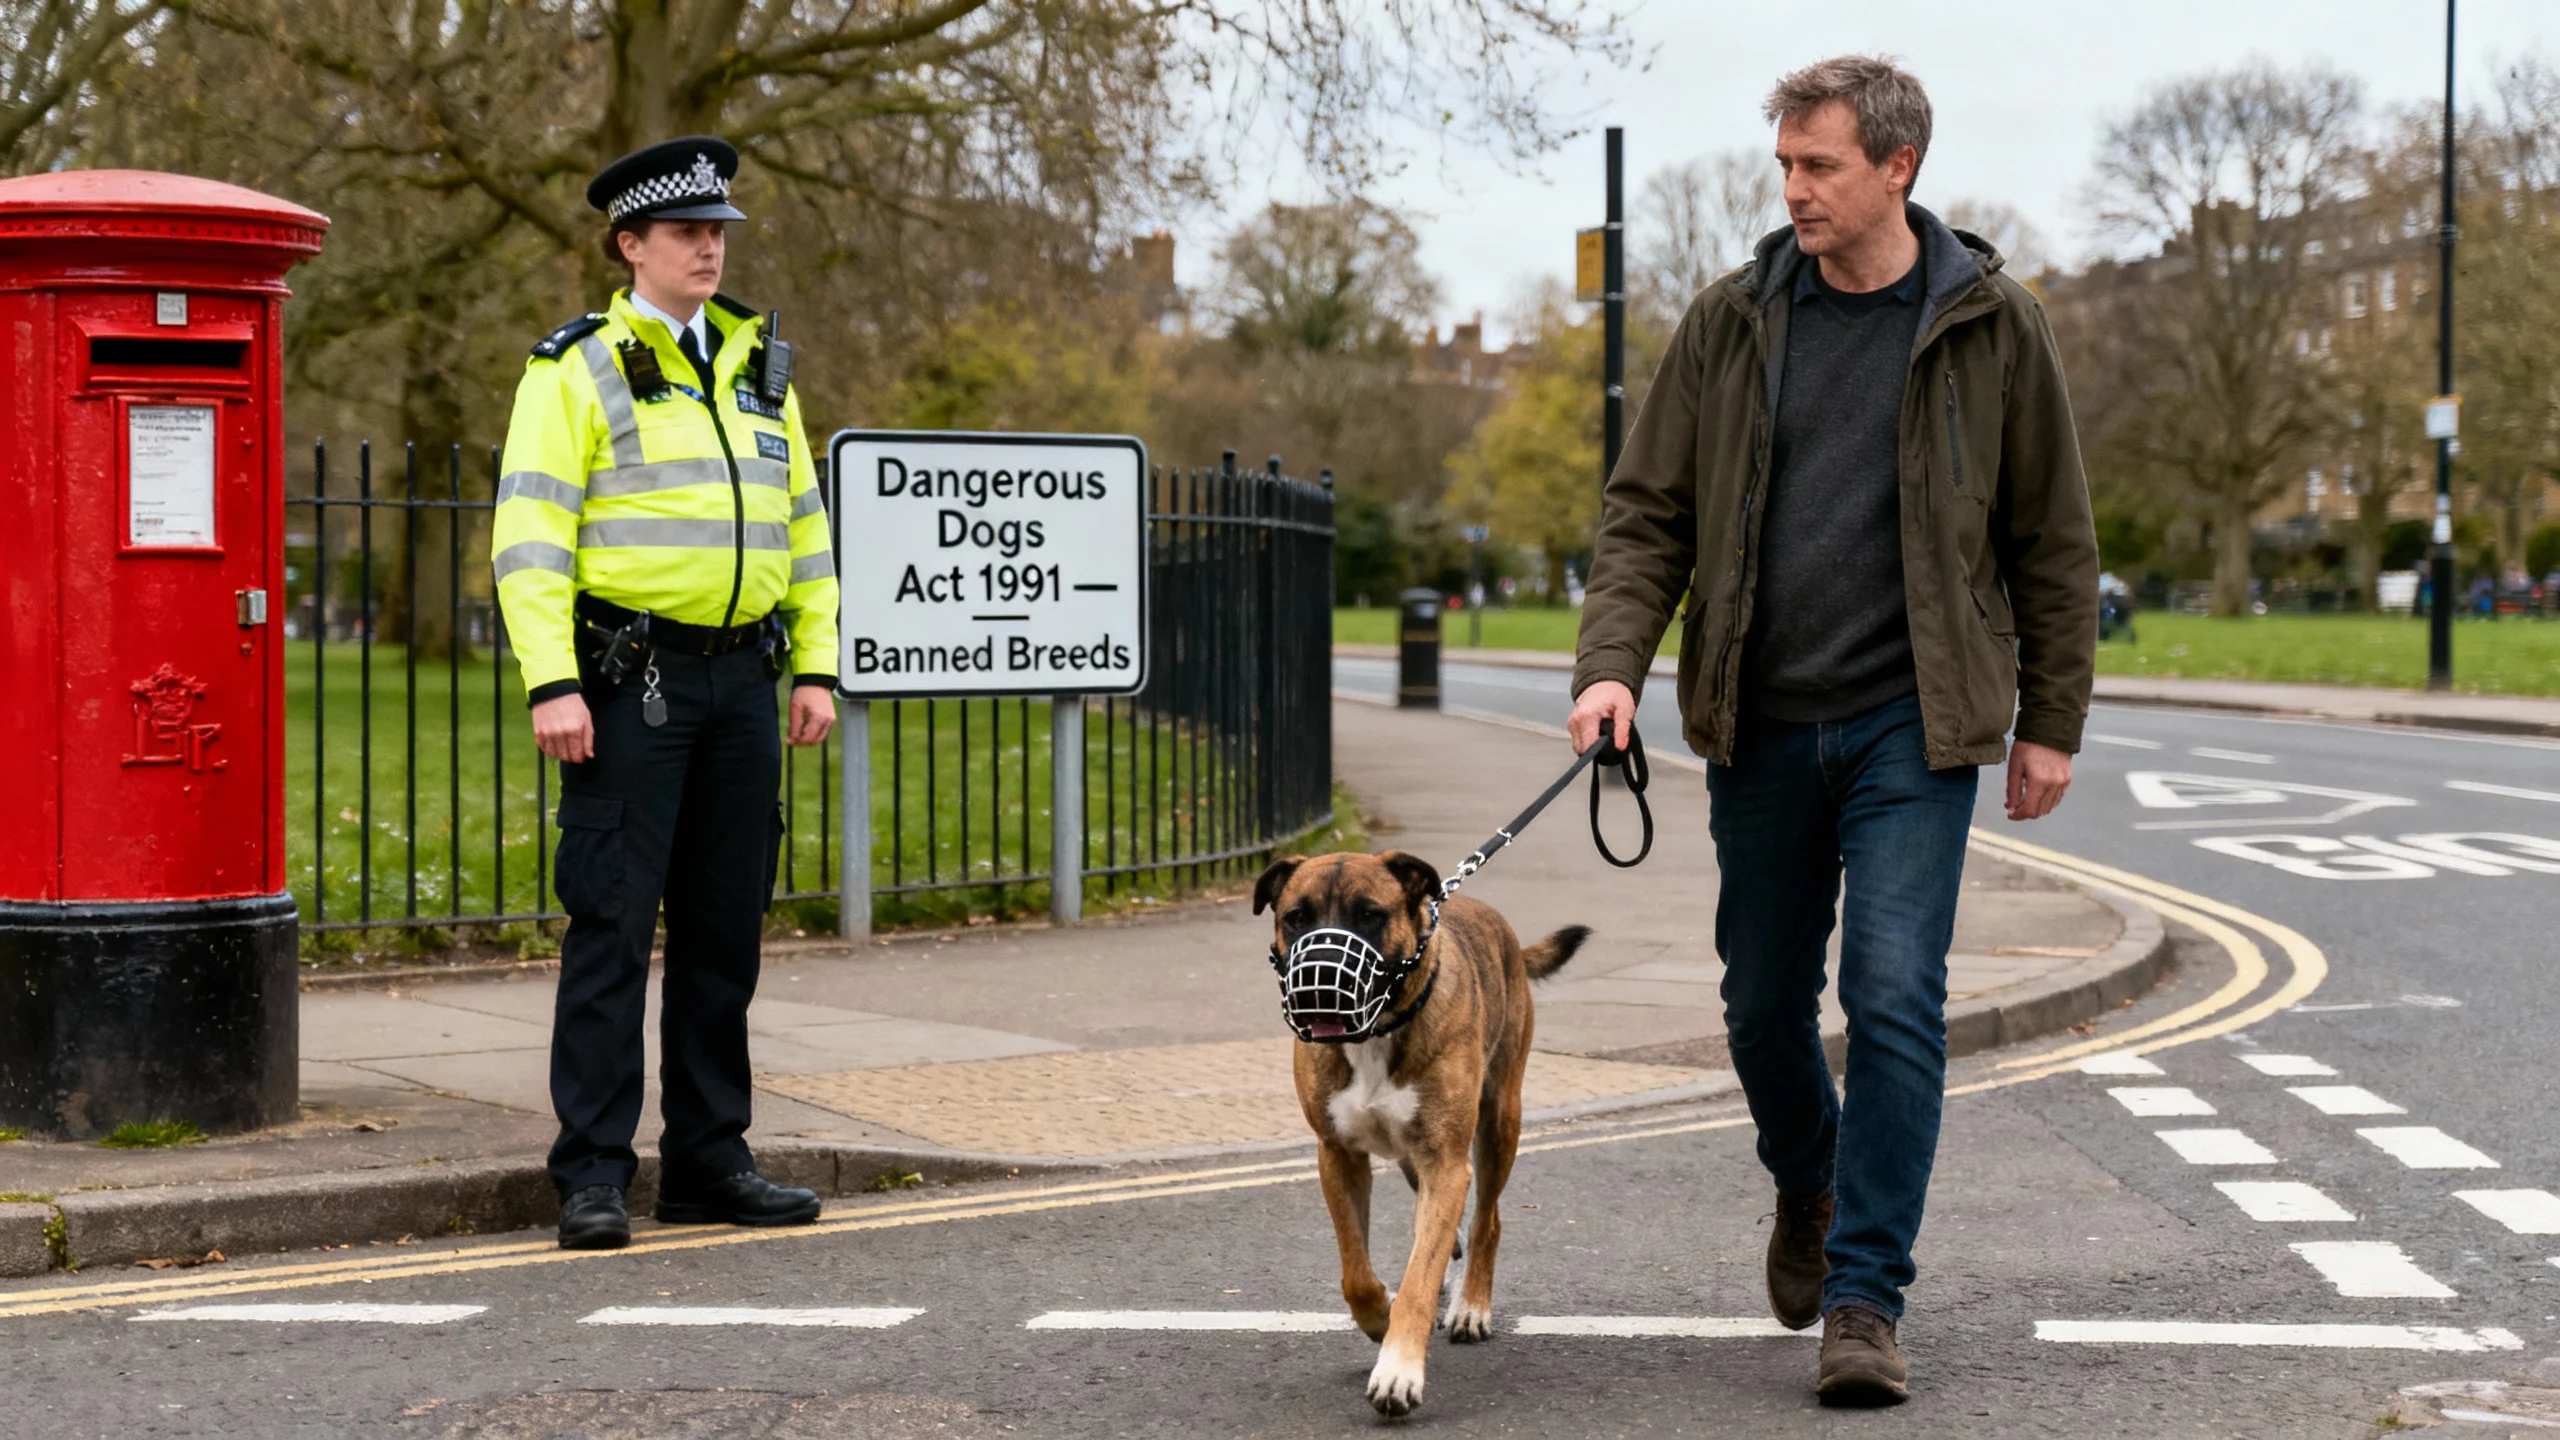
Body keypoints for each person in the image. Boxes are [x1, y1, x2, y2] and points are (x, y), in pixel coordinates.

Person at [1567, 56, 2097, 1405]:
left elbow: (2052, 537)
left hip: (1913, 727)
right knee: (1759, 1007)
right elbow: (1647, 516)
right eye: (1787, 166)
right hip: (1761, 717)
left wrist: (2051, 722)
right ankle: (1806, 1176)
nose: (1794, 189)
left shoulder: (1995, 323)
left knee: (1896, 997)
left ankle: (1864, 1298)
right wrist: (1612, 666)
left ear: (1897, 168)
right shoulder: (1735, 320)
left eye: (1820, 166)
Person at [491, 136, 842, 1251]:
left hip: (745, 677)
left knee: (723, 933)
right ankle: (592, 1172)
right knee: (610, 927)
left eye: (718, 229)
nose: (708, 244)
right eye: (686, 229)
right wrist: (553, 680)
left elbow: (807, 530)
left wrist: (817, 662)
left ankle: (706, 1159)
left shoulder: (758, 368)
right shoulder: (574, 366)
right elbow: (530, 535)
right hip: (628, 680)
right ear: (629, 244)